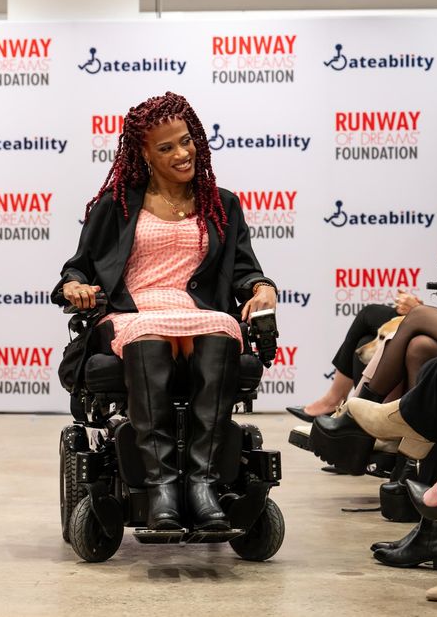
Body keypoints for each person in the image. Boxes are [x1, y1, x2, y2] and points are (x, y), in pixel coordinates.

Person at [53, 92, 277, 532]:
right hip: (134, 312)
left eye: (186, 141)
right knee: (150, 336)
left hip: (198, 314)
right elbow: (78, 268)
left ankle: (203, 484)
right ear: (144, 154)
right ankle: (162, 488)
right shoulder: (116, 205)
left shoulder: (222, 204)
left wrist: (262, 287)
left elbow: (246, 271)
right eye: (167, 147)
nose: (182, 153)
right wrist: (75, 286)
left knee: (222, 327)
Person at [291, 175, 437, 421]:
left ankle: (348, 414)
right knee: (387, 341)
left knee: (387, 317)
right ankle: (376, 425)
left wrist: (424, 309)